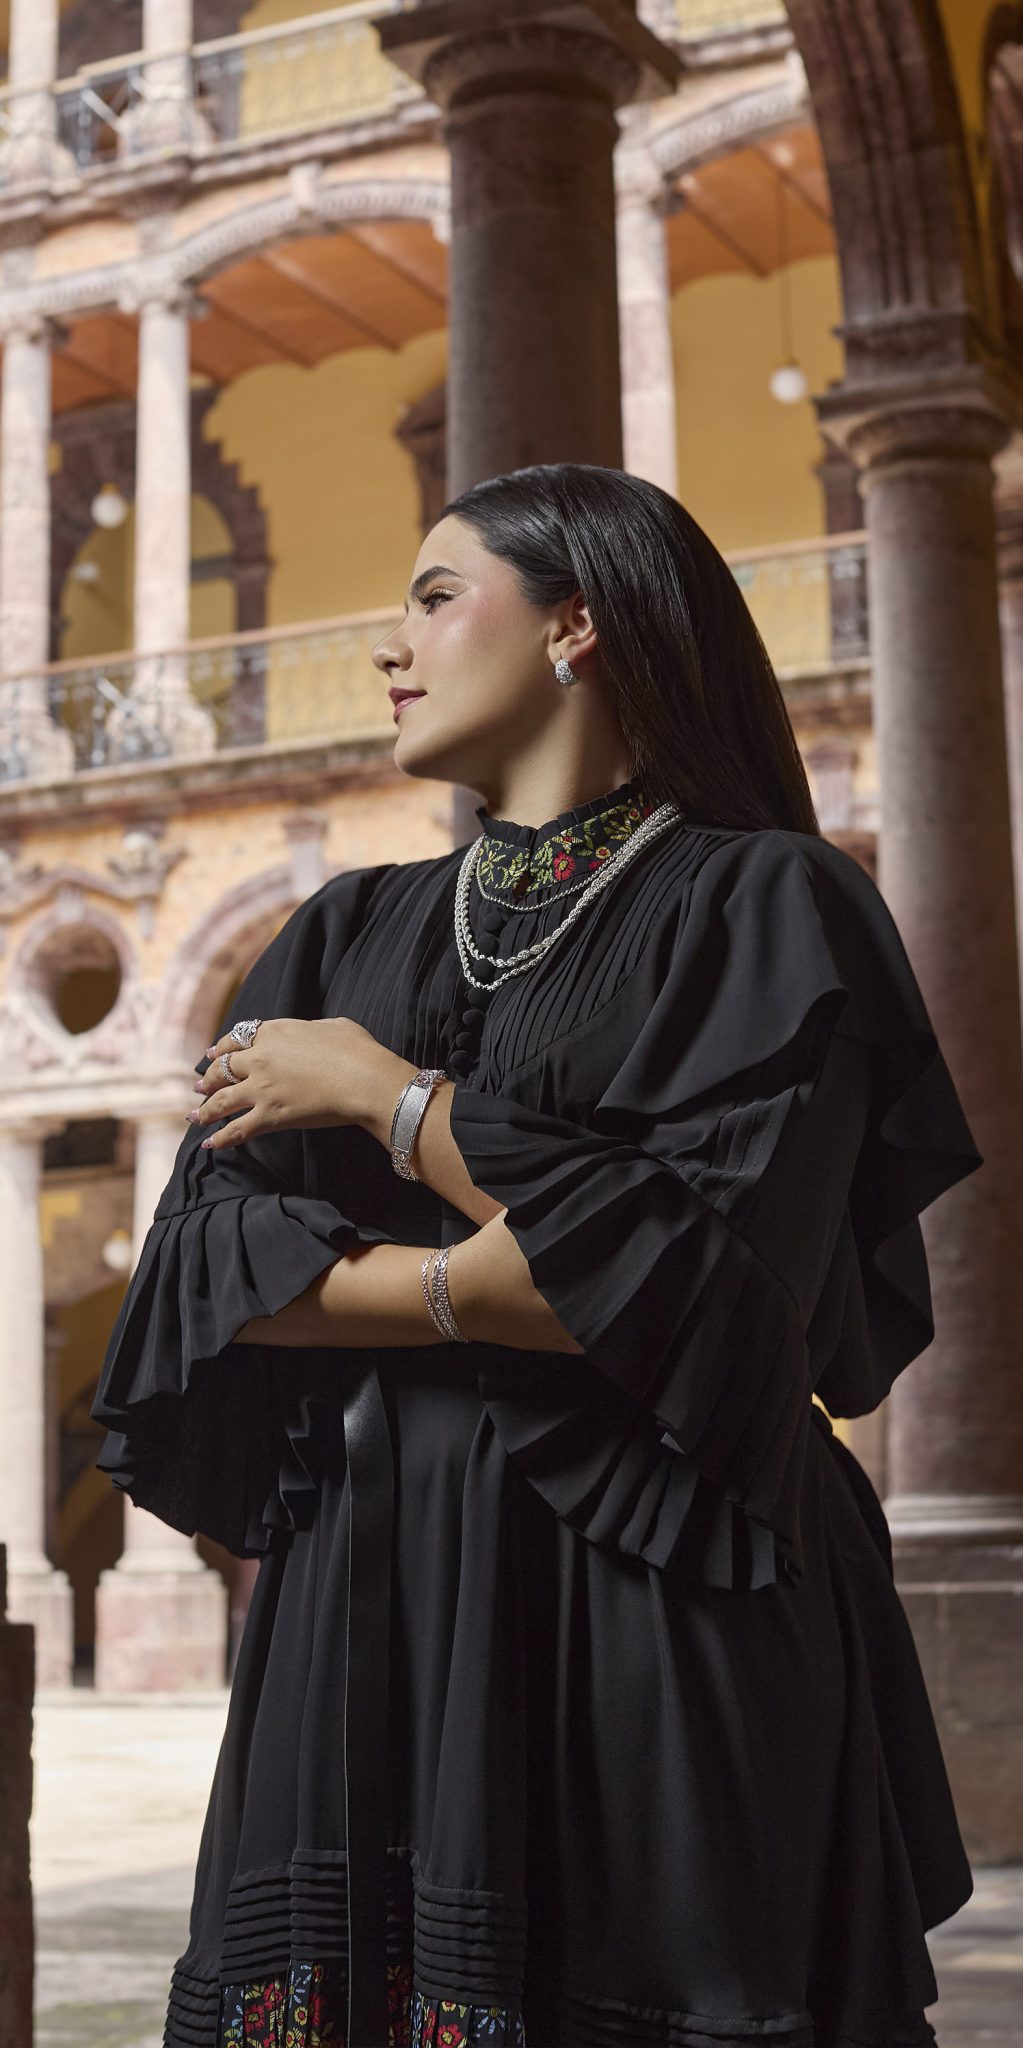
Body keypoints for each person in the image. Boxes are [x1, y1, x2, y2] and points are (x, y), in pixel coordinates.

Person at [92, 463, 982, 2048]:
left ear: (579, 624)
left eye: (437, 596)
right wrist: (493, 1284)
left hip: (657, 1591)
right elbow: (198, 1278)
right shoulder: (340, 931)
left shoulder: (772, 908)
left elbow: (705, 1280)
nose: (391, 644)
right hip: (361, 1599)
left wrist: (388, 1102)